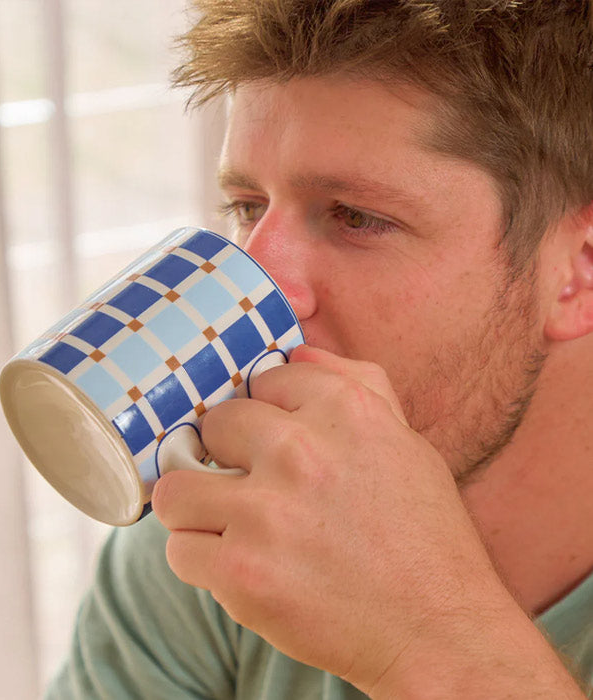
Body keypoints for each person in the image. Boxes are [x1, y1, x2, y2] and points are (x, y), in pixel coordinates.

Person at [47, 1, 593, 697]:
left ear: (578, 270)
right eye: (248, 206)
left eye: (357, 217)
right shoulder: (220, 519)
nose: (257, 279)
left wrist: (432, 636)